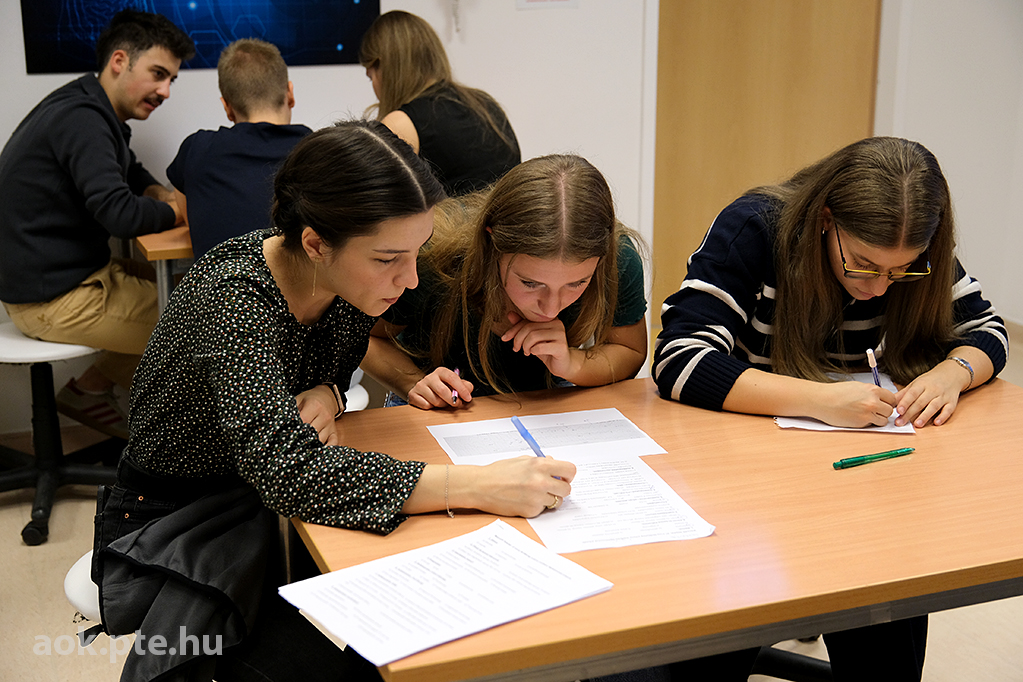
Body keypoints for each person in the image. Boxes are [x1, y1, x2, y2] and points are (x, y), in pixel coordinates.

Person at [92, 120, 575, 682]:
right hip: (180, 519)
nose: (410, 280)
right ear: (316, 244)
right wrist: (479, 485)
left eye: (416, 253)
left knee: (436, 619)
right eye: (388, 259)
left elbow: (319, 378)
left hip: (265, 505)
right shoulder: (232, 300)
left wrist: (329, 394)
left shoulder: (344, 285)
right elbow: (290, 473)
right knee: (372, 661)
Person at [652, 136, 1008, 680]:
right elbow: (680, 360)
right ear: (825, 219)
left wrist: (951, 373)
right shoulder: (755, 230)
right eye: (862, 264)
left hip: (858, 484)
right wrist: (821, 399)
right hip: (740, 479)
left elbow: (987, 331)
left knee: (887, 623)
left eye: (900, 272)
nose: (879, 288)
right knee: (709, 653)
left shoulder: (914, 250)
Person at [0, 9, 194, 438]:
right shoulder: (84, 119)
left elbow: (130, 171)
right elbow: (120, 214)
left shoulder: (91, 108)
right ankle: (126, 412)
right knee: (198, 323)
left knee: (192, 288)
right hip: (52, 298)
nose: (165, 91)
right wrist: (179, 211)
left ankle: (90, 389)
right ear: (120, 61)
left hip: (69, 276)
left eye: (171, 80)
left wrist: (158, 192)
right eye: (158, 74)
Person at [362, 154, 648, 409]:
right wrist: (414, 382)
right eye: (530, 283)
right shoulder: (431, 258)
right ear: (492, 246)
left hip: (547, 403)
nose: (551, 309)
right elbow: (364, 338)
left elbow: (629, 350)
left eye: (577, 284)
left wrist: (573, 363)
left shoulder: (617, 259)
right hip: (436, 405)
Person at [167, 38, 312, 259]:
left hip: (221, 282)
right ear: (290, 93)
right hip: (300, 282)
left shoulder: (196, 150)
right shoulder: (320, 152)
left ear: (227, 106)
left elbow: (192, 220)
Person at [358, 9, 521, 195]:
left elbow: (381, 203)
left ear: (384, 68)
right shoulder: (484, 104)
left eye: (371, 77)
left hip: (460, 215)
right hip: (510, 213)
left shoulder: (401, 124)